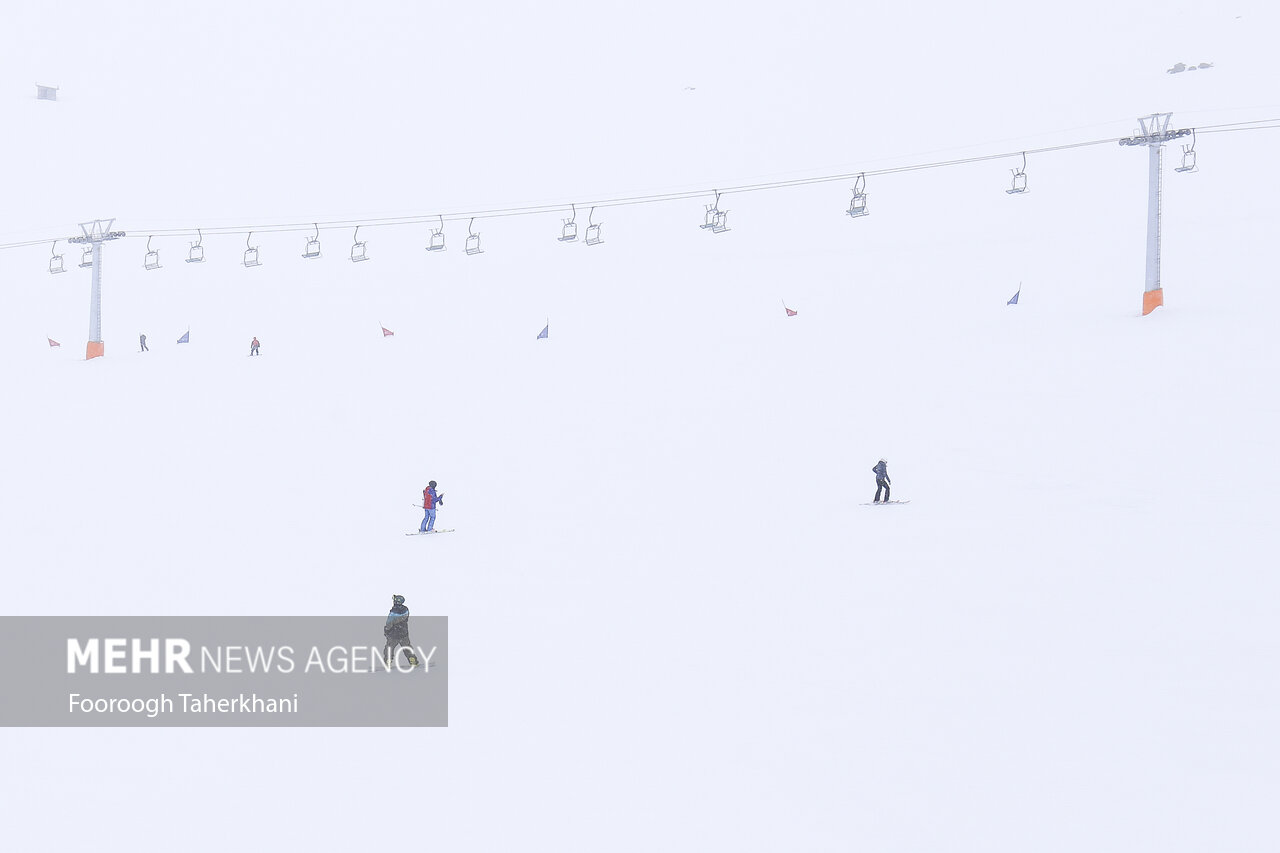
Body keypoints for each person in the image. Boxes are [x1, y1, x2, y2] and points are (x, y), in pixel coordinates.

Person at [383, 594, 419, 668]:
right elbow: (405, 619)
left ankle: (388, 661)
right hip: (403, 633)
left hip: (393, 634)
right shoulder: (405, 610)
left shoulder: (393, 612)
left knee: (389, 648)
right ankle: (412, 659)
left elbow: (389, 622)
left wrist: (386, 630)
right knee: (407, 647)